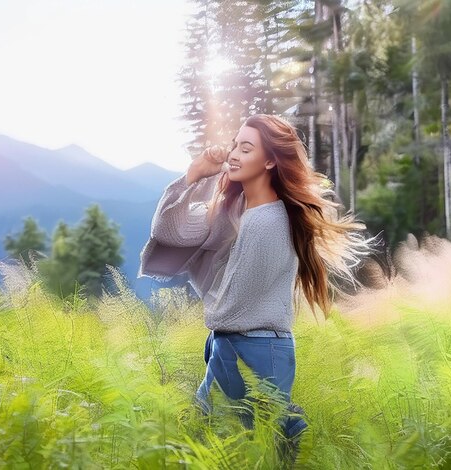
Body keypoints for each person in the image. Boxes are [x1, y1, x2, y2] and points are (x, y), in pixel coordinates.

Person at [139, 114, 372, 461]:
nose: (233, 154)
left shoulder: (269, 222)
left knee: (246, 450)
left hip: (257, 349)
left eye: (245, 149)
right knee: (218, 443)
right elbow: (168, 232)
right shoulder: (234, 210)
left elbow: (234, 305)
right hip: (235, 343)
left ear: (269, 161)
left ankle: (292, 429)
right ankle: (289, 428)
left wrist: (212, 318)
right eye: (234, 145)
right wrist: (196, 175)